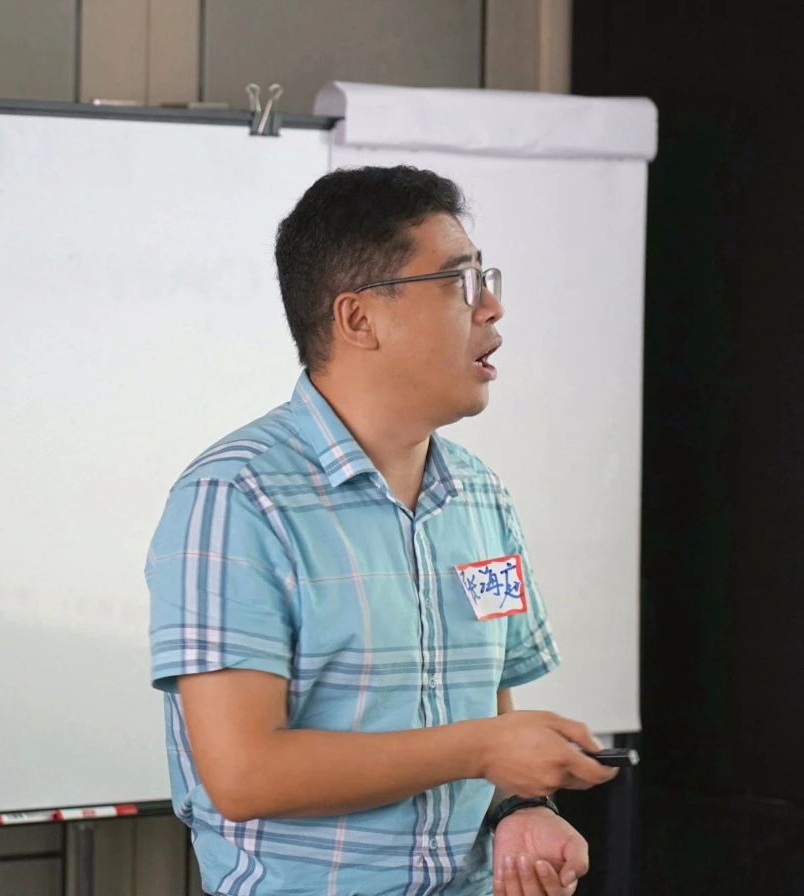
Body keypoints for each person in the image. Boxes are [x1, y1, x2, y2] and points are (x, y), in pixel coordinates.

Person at [145, 165, 617, 896]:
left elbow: (490, 704)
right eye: (459, 282)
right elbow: (243, 775)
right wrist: (481, 750)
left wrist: (520, 809)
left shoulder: (480, 497)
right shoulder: (236, 498)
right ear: (359, 319)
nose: (492, 307)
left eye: (486, 278)